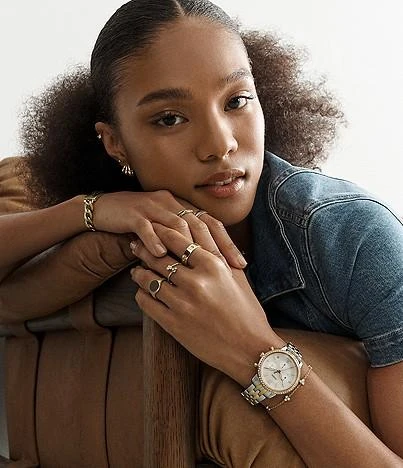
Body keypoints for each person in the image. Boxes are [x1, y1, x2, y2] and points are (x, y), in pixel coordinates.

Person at [0, 0, 402, 466]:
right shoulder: (110, 228)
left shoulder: (351, 238)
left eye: (237, 101)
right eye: (170, 118)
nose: (220, 144)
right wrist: (88, 210)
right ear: (114, 142)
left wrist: (255, 350)